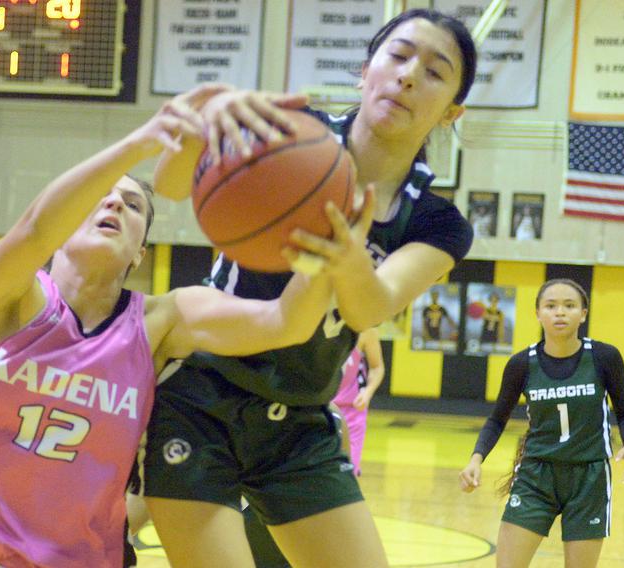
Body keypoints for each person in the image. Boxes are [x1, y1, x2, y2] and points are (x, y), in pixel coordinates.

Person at [0, 84, 339, 568]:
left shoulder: (161, 321)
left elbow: (286, 323)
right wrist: (140, 143)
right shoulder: (9, 295)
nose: (115, 204)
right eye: (102, 197)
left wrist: (326, 234)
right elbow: (36, 229)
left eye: (133, 204)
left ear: (141, 250)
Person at [143, 9, 477, 568]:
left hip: (298, 420)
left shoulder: (438, 223)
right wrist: (207, 121)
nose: (409, 75)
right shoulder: (292, 135)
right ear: (365, 70)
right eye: (397, 56)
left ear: (451, 112)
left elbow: (370, 304)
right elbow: (170, 184)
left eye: (436, 71)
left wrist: (347, 252)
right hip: (201, 390)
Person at [459, 278, 624, 568]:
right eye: (551, 306)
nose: (559, 312)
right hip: (536, 475)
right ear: (538, 313)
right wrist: (475, 459)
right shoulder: (521, 364)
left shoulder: (604, 357)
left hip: (589, 476)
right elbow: (497, 420)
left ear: (583, 313)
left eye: (569, 306)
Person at [332, 328, 385, 476]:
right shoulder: (319, 321)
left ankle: (354, 469)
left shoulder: (367, 329)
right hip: (320, 408)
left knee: (348, 474)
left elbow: (377, 367)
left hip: (351, 411)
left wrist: (368, 392)